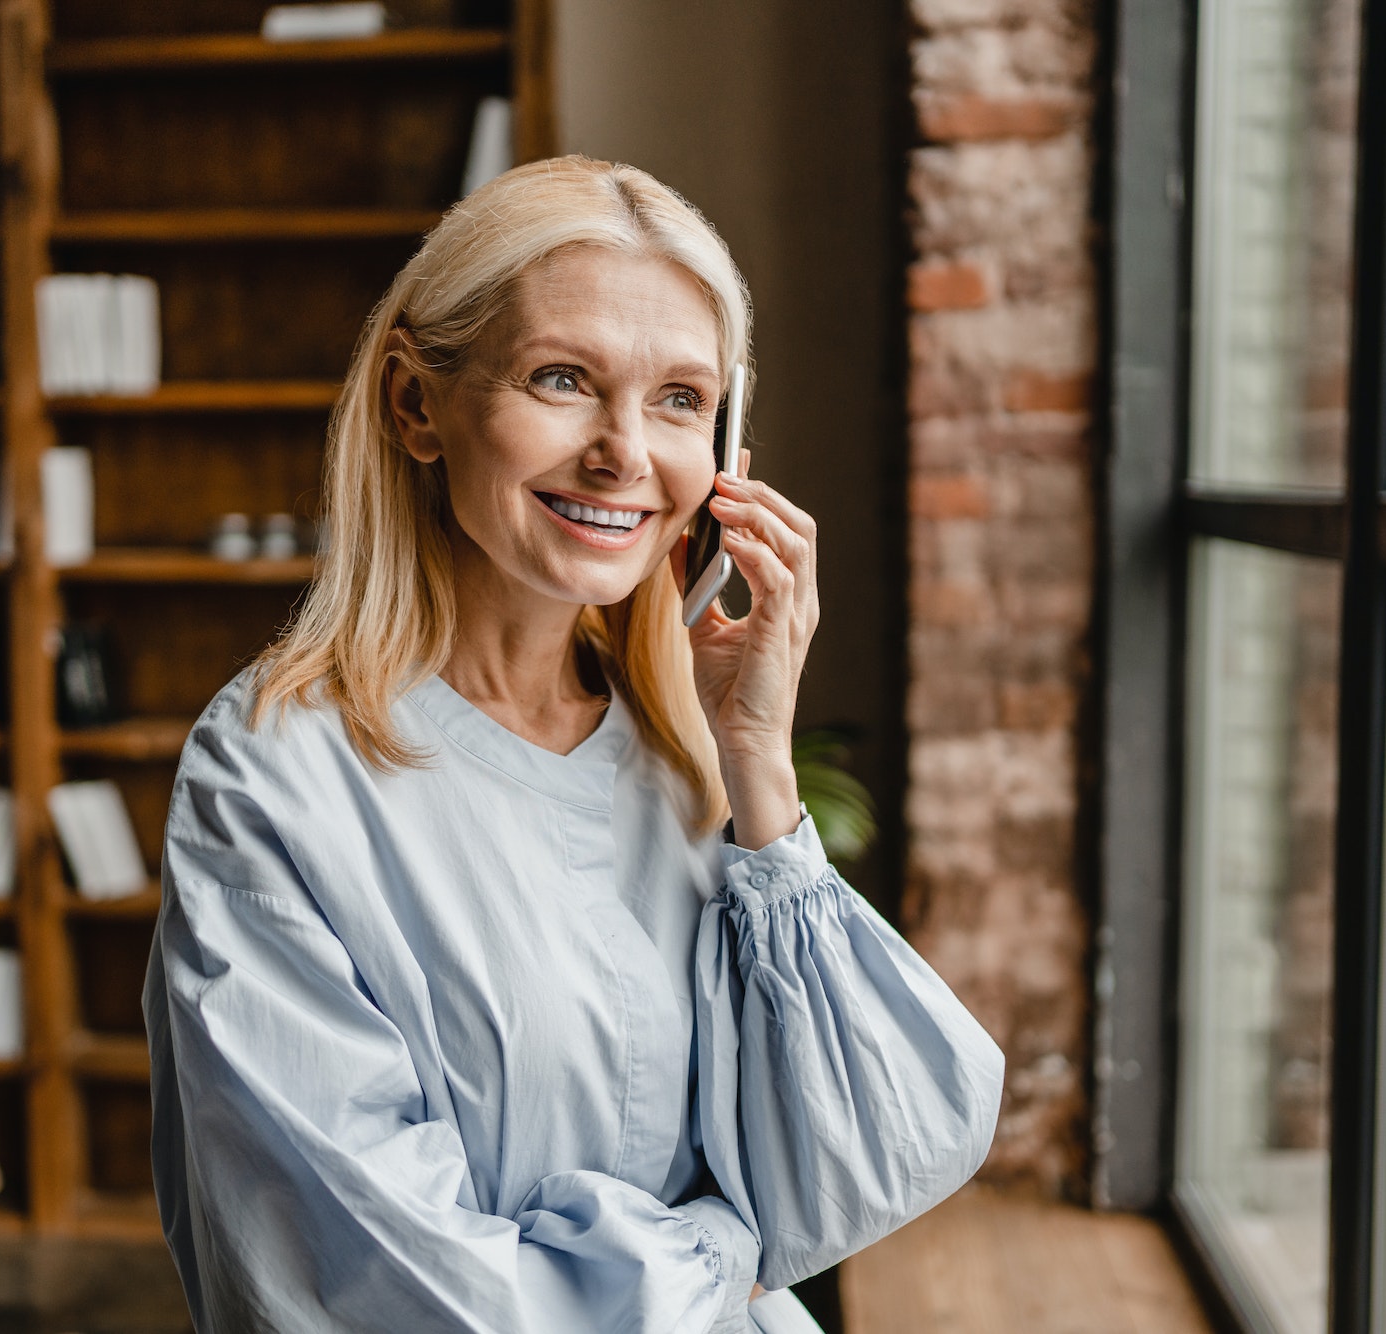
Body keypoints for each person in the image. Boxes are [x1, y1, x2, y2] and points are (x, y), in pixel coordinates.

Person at [144, 155, 1004, 1334]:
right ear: (415, 405)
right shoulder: (273, 775)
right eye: (563, 378)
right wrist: (721, 1249)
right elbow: (388, 1290)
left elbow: (867, 1158)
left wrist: (754, 759)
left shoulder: (687, 759)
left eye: (679, 401)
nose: (624, 453)